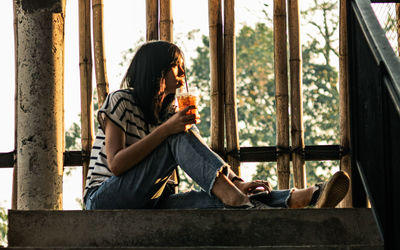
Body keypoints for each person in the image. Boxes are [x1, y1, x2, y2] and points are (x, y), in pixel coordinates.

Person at [83, 40, 349, 210]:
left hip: (152, 202)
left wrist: (236, 181)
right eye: (177, 68)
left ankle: (303, 198)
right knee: (179, 137)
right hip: (105, 199)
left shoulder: (169, 113)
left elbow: (197, 155)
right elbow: (116, 164)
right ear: (157, 72)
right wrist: (167, 130)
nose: (183, 75)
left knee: (214, 198)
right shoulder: (120, 101)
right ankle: (239, 197)